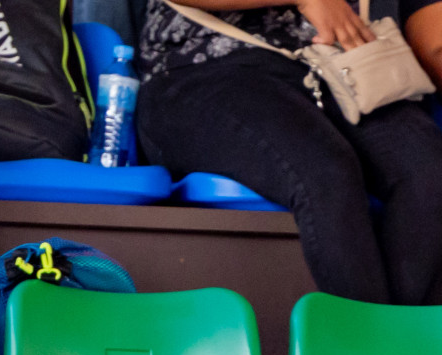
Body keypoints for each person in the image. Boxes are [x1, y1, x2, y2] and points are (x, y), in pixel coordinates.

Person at [135, 0, 442, 305]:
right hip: (202, 69)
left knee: (428, 169)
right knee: (324, 171)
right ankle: (365, 349)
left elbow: (434, 37)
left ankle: (404, 347)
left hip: (339, 68)